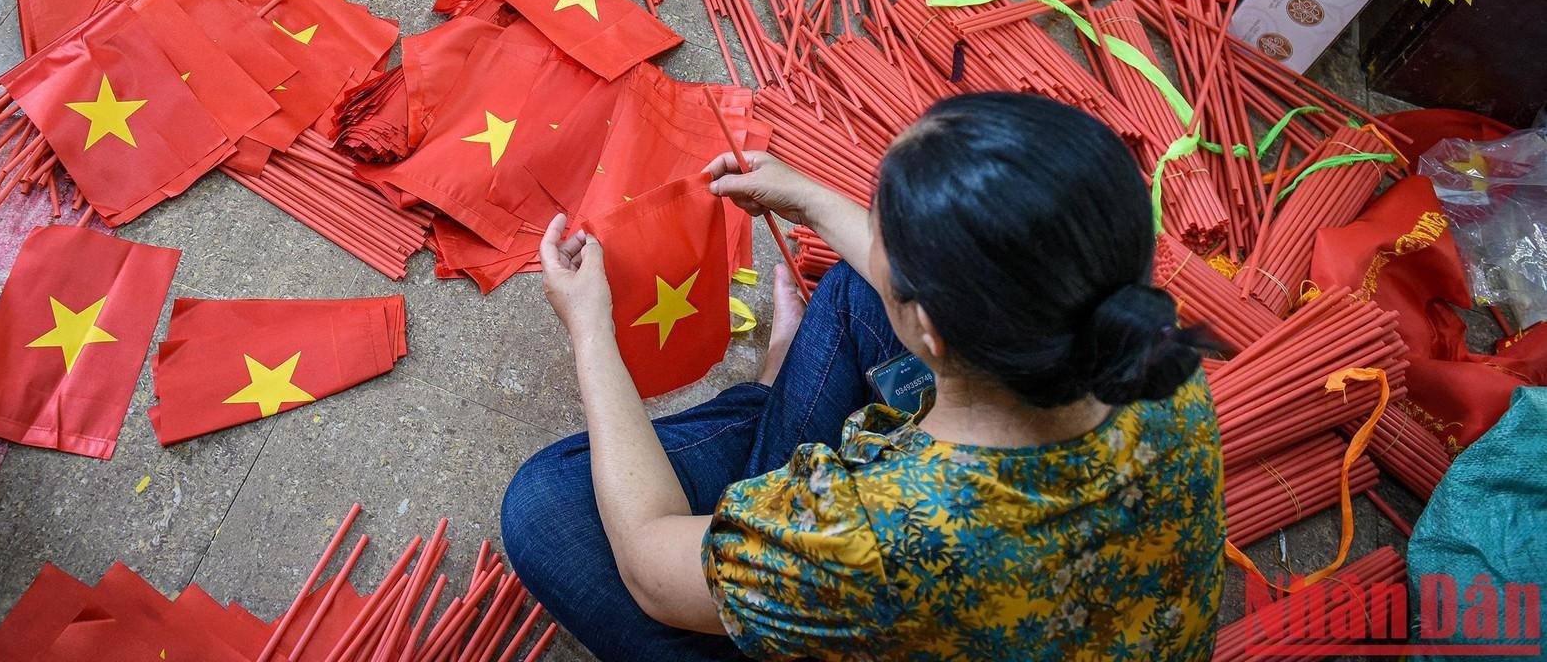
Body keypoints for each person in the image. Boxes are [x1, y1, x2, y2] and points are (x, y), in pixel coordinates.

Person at [501, 91, 1226, 660]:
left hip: (885, 576)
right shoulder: (1153, 357)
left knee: (546, 508)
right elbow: (915, 283)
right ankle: (762, 489)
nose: (870, 237)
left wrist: (592, 329)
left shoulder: (883, 535)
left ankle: (760, 465)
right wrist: (812, 200)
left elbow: (650, 572)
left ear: (934, 333)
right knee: (855, 290)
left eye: (886, 235)